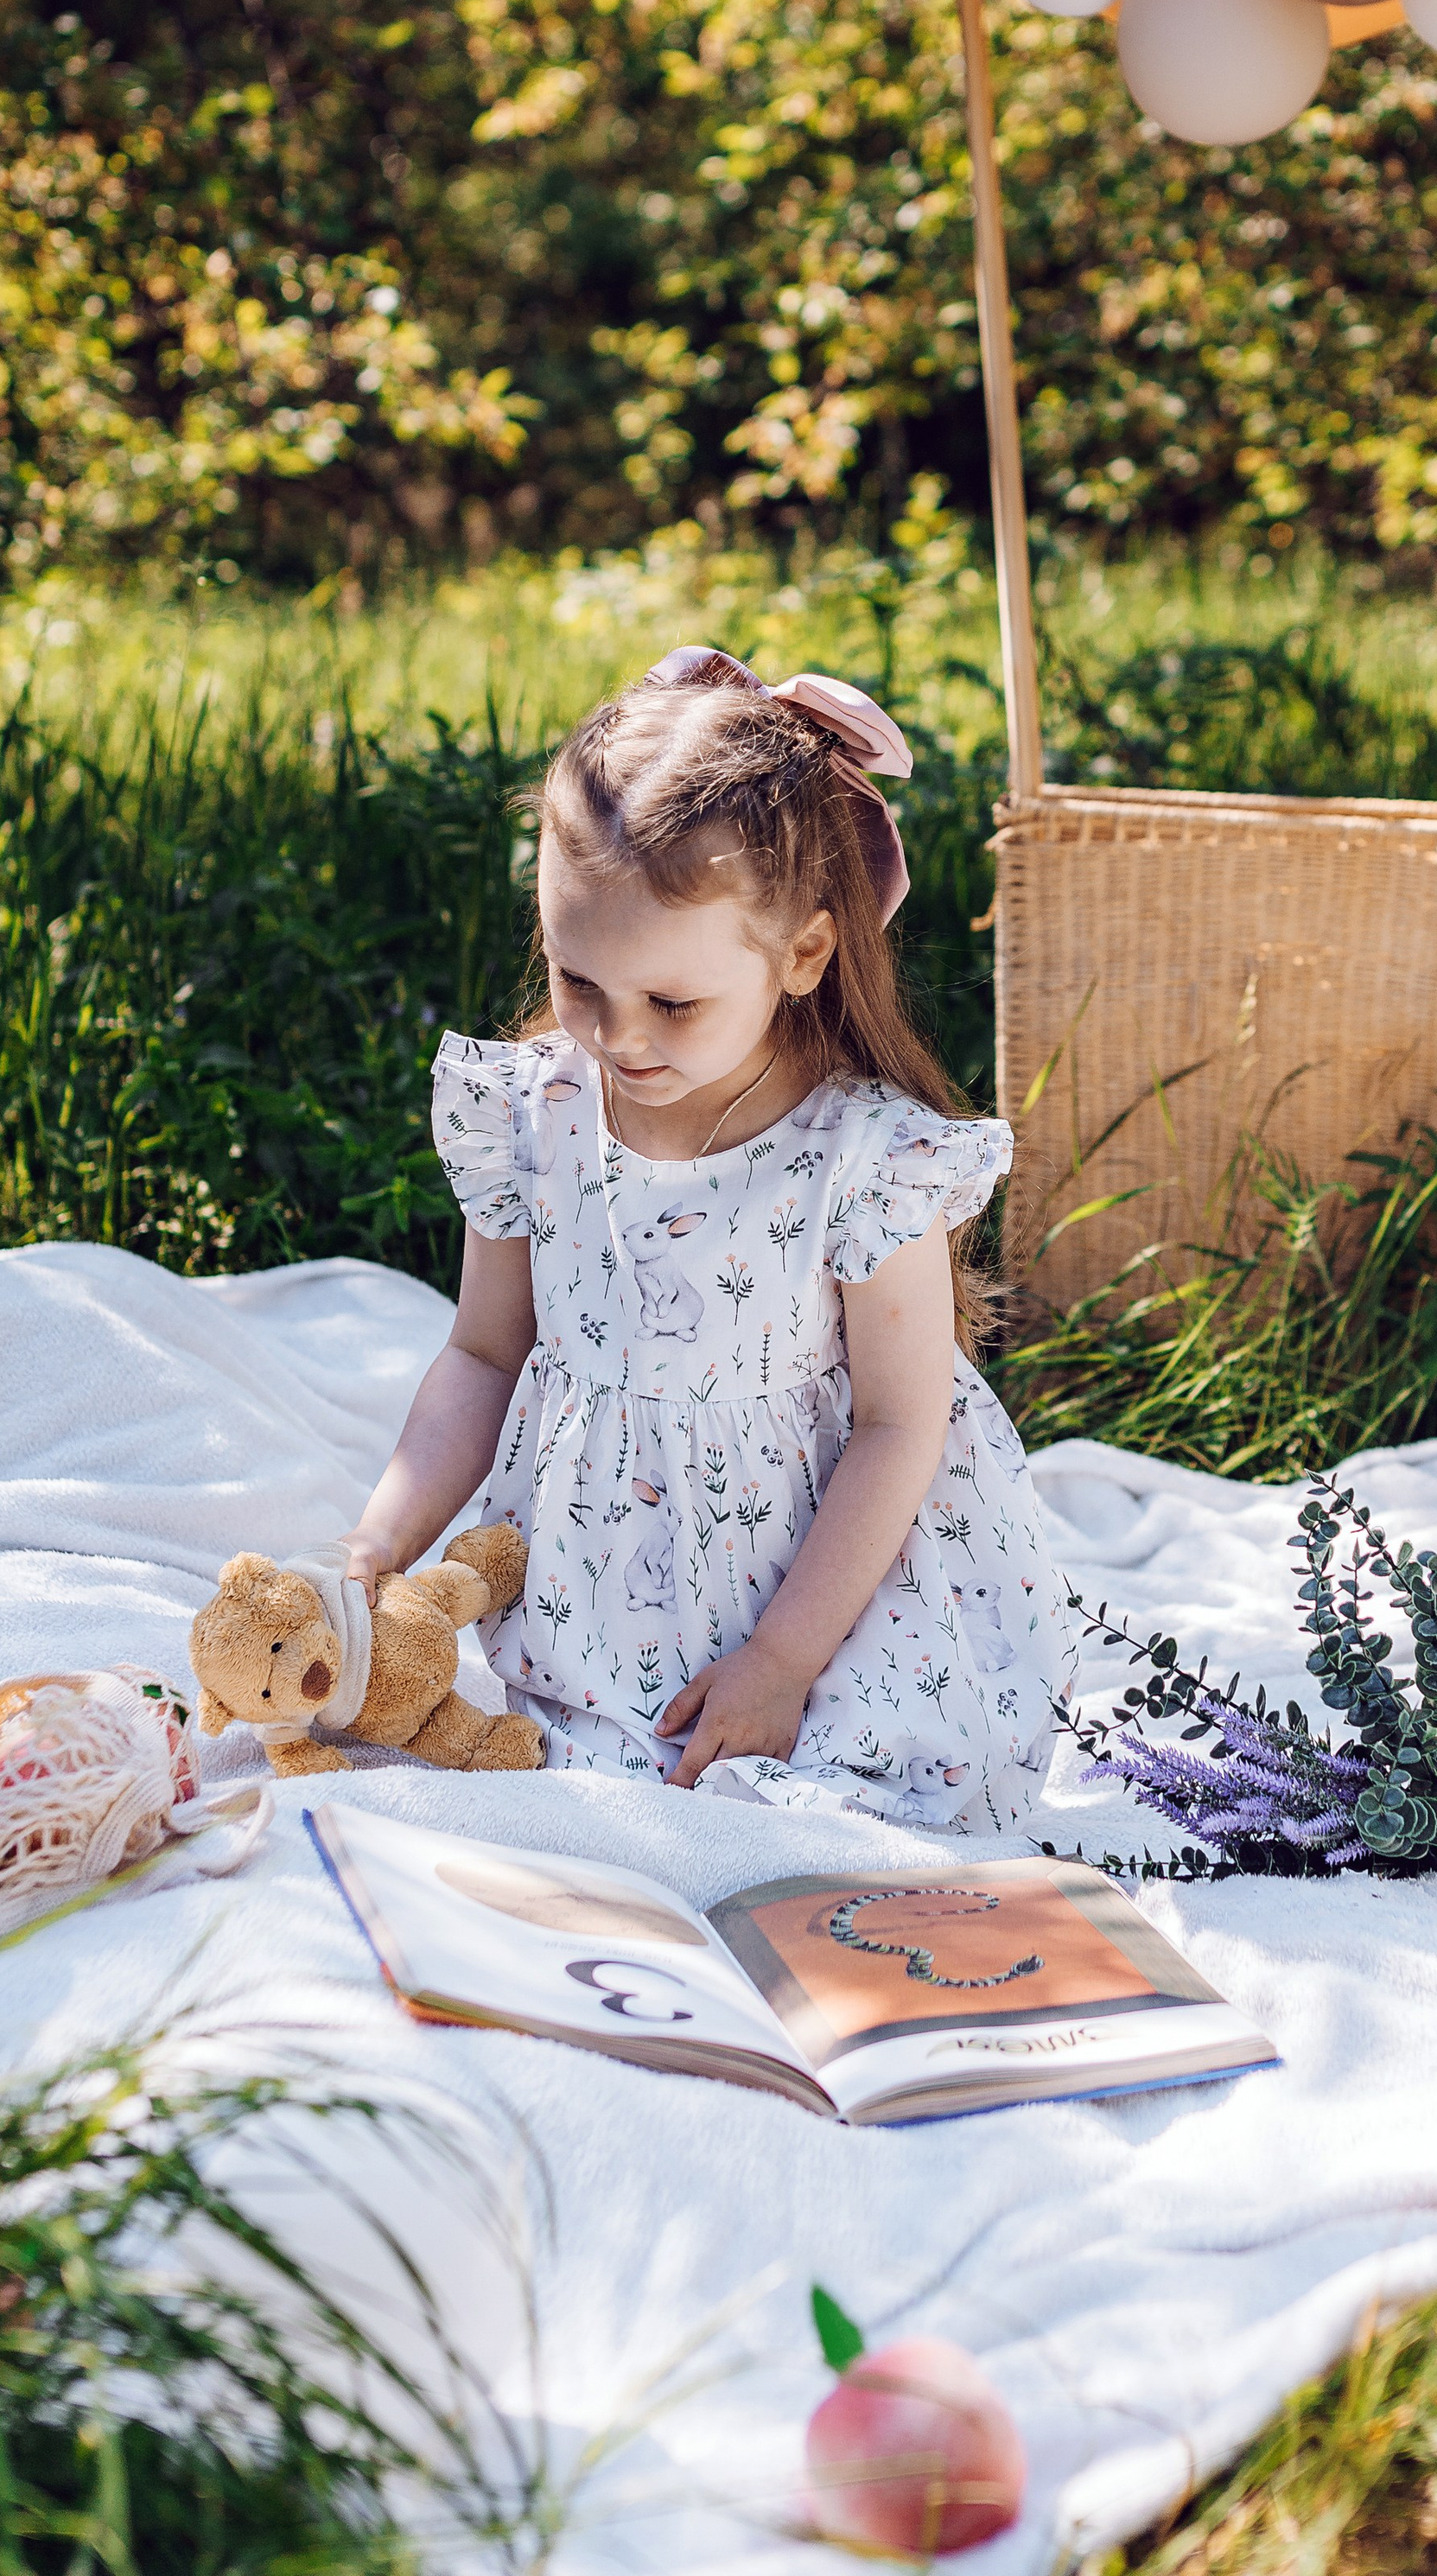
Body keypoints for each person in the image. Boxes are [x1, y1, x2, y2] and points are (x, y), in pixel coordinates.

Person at [342, 645, 1074, 1834]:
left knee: (837, 1814)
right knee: (603, 1812)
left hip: (826, 1596)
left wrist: (785, 1661)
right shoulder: (534, 1114)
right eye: (580, 982)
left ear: (803, 955)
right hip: (604, 1598)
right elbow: (483, 1354)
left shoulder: (860, 1158)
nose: (618, 1036)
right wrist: (375, 1548)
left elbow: (901, 1424)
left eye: (672, 1003)